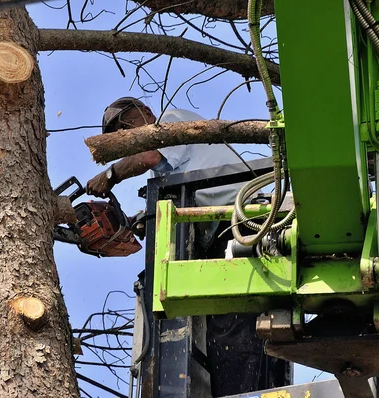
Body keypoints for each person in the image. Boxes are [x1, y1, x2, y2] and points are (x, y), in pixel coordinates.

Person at [86, 97, 264, 397]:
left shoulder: (171, 120)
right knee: (231, 329)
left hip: (239, 221)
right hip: (222, 227)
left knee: (232, 328)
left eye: (125, 124)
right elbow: (171, 202)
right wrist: (139, 221)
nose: (123, 134)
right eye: (116, 133)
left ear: (145, 112)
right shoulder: (167, 169)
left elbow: (149, 156)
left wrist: (110, 174)